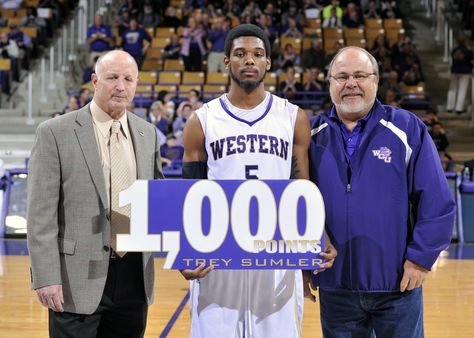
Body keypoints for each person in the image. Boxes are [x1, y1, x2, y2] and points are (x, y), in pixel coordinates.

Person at [180, 24, 336, 338]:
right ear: (226, 62)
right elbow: (190, 194)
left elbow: (301, 184)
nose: (249, 60)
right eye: (240, 54)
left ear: (268, 63)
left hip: (278, 253)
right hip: (219, 257)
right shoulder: (201, 121)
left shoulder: (293, 117)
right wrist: (187, 252)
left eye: (257, 54)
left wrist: (318, 235)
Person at [308, 46, 456, 338]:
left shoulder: (406, 128)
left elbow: (437, 201)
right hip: (336, 286)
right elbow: (296, 202)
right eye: (341, 77)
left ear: (375, 81)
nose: (351, 83)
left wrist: (420, 259)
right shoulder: (311, 135)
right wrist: (302, 264)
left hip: (397, 284)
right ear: (330, 85)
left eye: (360, 75)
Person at [27, 50, 164, 338]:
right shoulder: (55, 132)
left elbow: (157, 201)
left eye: (128, 79)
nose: (120, 86)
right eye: (112, 77)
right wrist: (46, 277)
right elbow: (41, 214)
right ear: (94, 81)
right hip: (73, 279)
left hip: (133, 277)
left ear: (136, 84)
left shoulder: (147, 133)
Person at [446, 33, 474, 114]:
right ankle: (459, 108)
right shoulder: (468, 51)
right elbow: (472, 61)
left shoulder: (454, 50)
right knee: (462, 90)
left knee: (452, 89)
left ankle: (449, 107)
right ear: (466, 41)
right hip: (465, 72)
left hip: (454, 71)